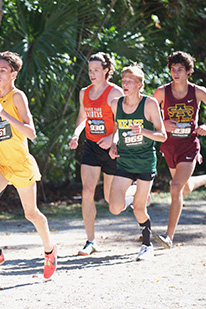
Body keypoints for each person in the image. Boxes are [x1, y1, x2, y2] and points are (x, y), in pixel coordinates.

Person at [0, 51, 57, 279]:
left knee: (31, 213)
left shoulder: (17, 96)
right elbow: (0, 119)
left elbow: (30, 132)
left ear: (13, 74)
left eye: (2, 71)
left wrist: (4, 115)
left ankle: (50, 251)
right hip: (0, 162)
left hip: (20, 164)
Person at [152, 51, 206, 249]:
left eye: (180, 69)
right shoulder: (162, 92)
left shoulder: (197, 92)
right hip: (169, 145)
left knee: (175, 188)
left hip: (189, 145)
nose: (175, 73)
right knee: (182, 188)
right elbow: (147, 110)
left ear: (189, 71)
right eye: (173, 69)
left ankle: (169, 236)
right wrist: (162, 122)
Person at [69, 52, 135, 256]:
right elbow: (83, 116)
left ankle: (134, 194)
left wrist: (112, 139)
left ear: (106, 70)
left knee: (111, 201)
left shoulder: (115, 93)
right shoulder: (84, 92)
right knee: (87, 191)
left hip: (113, 149)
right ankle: (90, 241)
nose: (92, 74)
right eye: (90, 70)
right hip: (91, 148)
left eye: (97, 70)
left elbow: (122, 122)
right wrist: (76, 135)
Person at [108, 64, 167, 260]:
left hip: (144, 162)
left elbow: (162, 135)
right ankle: (133, 194)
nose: (125, 84)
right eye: (123, 81)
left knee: (140, 209)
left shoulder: (149, 104)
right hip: (125, 162)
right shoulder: (116, 104)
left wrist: (143, 131)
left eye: (129, 81)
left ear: (140, 85)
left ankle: (147, 245)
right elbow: (117, 129)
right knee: (114, 207)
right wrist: (114, 145)